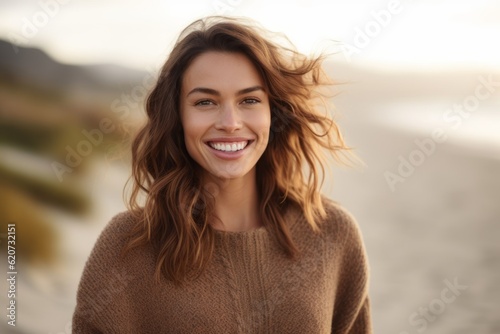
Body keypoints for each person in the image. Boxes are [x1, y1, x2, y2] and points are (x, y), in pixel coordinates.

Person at [72, 16, 372, 333]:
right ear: (178, 116)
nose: (230, 122)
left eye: (250, 100)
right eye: (205, 101)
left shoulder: (332, 234)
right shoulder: (127, 246)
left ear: (274, 112)